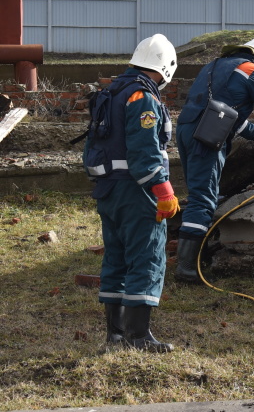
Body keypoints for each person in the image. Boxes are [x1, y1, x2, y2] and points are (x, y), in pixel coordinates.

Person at [84, 33, 180, 353]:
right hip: (136, 191)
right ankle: (138, 337)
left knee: (116, 257)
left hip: (108, 190)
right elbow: (144, 153)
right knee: (147, 257)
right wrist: (164, 190)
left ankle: (115, 334)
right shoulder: (143, 98)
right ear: (166, 68)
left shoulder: (110, 92)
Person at [174, 36, 254, 283]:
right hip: (206, 135)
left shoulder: (214, 66)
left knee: (200, 193)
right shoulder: (250, 69)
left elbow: (230, 118)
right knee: (202, 199)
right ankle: (187, 268)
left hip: (186, 130)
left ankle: (192, 256)